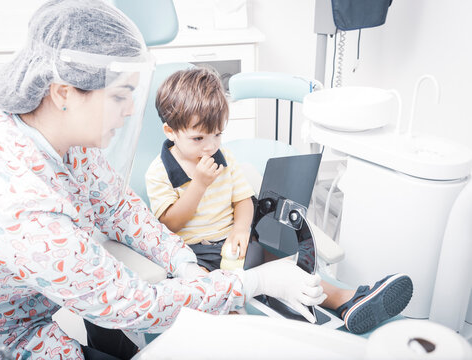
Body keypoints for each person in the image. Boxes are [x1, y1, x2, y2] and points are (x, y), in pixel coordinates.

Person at [0, 1, 329, 359]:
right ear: (63, 92)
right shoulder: (15, 198)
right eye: (121, 97)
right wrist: (252, 282)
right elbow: (131, 303)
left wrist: (183, 260)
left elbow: (119, 208)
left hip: (41, 310)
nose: (127, 113)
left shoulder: (62, 135)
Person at [145, 67, 414, 335]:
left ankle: (347, 300)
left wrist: (240, 229)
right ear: (170, 131)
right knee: (213, 297)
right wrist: (199, 185)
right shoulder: (159, 172)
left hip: (234, 243)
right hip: (192, 254)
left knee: (288, 267)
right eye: (198, 138)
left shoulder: (223, 158)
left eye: (217, 134)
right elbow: (169, 225)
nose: (210, 147)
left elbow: (243, 201)